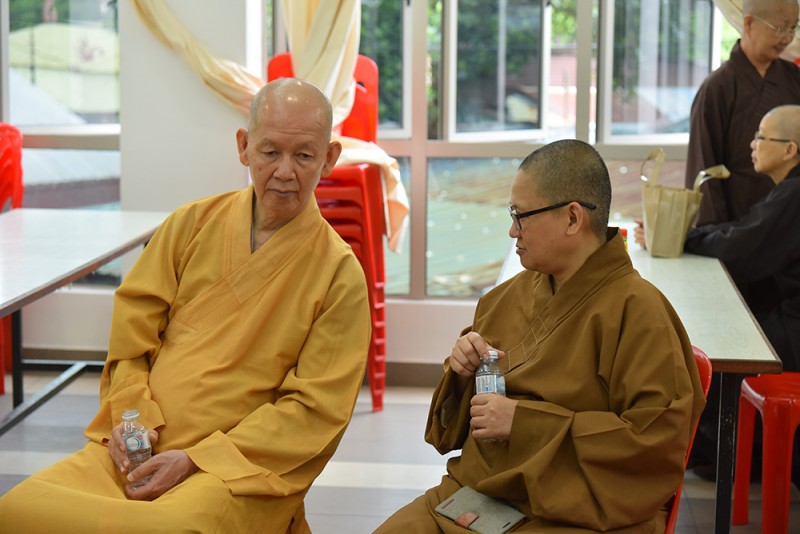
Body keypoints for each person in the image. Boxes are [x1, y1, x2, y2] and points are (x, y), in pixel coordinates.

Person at [0, 78, 372, 533]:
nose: (284, 171)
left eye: (304, 155)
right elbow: (132, 343)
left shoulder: (339, 274)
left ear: (329, 158)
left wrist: (198, 458)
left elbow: (314, 410)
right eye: (270, 151)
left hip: (231, 469)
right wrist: (131, 421)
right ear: (244, 147)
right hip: (141, 445)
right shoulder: (190, 225)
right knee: (17, 511)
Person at [375, 140, 705, 533]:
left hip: (573, 514)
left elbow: (653, 444)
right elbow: (455, 429)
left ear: (572, 218)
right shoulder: (503, 298)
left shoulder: (640, 313)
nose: (512, 230)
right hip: (478, 494)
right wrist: (462, 371)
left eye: (521, 215)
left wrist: (524, 423)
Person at [685, 104, 800, 372]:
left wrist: (682, 241)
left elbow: (737, 248)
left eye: (761, 136)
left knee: (719, 337)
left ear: (790, 150)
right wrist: (687, 236)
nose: (752, 144)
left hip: (795, 329)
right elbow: (743, 229)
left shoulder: (794, 193)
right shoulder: (790, 190)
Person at [685, 0, 800, 227]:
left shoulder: (794, 80)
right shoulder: (717, 88)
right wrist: (713, 234)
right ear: (749, 23)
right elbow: (704, 168)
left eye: (793, 27)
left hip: (791, 222)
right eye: (780, 27)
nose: (787, 37)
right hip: (736, 225)